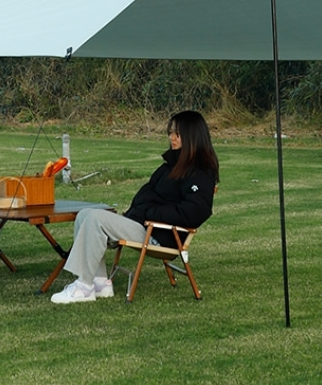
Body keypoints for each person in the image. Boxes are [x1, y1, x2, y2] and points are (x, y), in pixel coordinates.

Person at [51, 110, 219, 304]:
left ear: (192, 137)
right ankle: (99, 283)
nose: (171, 138)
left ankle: (83, 287)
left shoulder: (200, 173)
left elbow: (195, 212)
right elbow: (149, 192)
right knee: (85, 214)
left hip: (159, 234)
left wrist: (149, 212)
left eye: (177, 134)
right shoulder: (171, 165)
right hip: (143, 224)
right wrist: (138, 212)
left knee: (96, 218)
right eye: (170, 132)